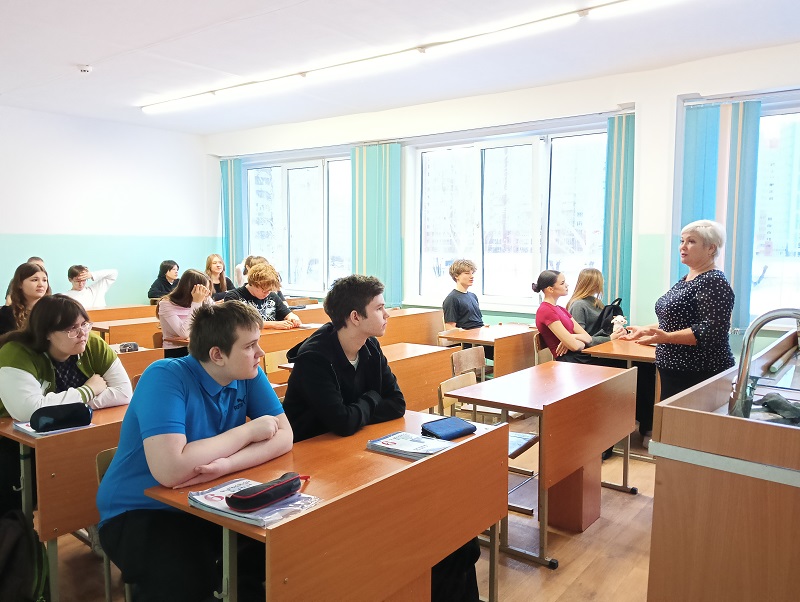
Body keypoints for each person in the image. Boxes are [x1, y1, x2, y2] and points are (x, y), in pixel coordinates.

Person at [282, 274, 478, 601]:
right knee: (406, 531)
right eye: (379, 308)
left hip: (358, 455)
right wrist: (373, 398)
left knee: (457, 538)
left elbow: (397, 403)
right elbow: (342, 422)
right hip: (318, 470)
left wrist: (362, 406)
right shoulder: (315, 358)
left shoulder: (369, 345)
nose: (387, 314)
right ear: (355, 317)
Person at [96, 301, 293, 602]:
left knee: (270, 552)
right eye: (250, 346)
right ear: (217, 355)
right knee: (189, 584)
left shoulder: (247, 373)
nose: (261, 353)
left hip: (206, 498)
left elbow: (285, 437)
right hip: (139, 511)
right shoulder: (164, 376)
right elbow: (170, 470)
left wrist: (226, 465)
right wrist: (248, 432)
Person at [0, 295, 132, 515]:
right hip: (14, 436)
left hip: (69, 429)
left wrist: (73, 406)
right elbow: (29, 411)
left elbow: (124, 393)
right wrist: (88, 390)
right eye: (72, 329)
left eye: (85, 324)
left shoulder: (92, 344)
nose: (82, 334)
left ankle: (93, 515)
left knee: (100, 452)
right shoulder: (15, 353)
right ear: (46, 333)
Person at [622, 219, 735, 403]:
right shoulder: (687, 278)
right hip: (675, 371)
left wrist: (666, 337)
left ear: (711, 248)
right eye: (682, 241)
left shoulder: (714, 281)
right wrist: (647, 329)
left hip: (699, 372)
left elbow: (711, 330)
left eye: (691, 241)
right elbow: (676, 320)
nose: (683, 246)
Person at [567, 268, 657, 439]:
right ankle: (645, 424)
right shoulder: (578, 305)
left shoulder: (596, 303)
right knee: (640, 371)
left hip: (602, 351)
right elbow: (582, 339)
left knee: (646, 368)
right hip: (589, 357)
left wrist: (618, 332)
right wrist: (609, 338)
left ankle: (647, 423)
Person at [533, 270, 594, 363]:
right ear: (550, 289)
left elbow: (588, 338)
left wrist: (571, 337)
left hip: (579, 356)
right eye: (562, 283)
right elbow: (574, 346)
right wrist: (572, 341)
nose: (567, 285)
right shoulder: (546, 310)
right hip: (569, 360)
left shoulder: (561, 309)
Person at [442, 259, 493, 360]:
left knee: (506, 345)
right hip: (469, 342)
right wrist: (466, 333)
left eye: (472, 273)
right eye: (467, 273)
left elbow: (475, 321)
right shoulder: (452, 299)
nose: (471, 276)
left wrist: (483, 327)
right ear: (456, 276)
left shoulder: (473, 296)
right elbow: (449, 328)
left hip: (479, 337)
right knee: (502, 351)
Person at [223, 263, 301, 329]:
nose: (267, 294)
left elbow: (287, 314)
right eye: (264, 290)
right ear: (253, 283)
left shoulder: (272, 296)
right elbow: (239, 324)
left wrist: (293, 318)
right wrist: (273, 324)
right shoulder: (233, 297)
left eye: (270, 290)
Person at [156, 269, 212, 358]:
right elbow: (185, 333)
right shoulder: (166, 304)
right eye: (204, 289)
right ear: (192, 289)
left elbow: (214, 326)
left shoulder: (206, 300)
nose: (207, 293)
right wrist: (196, 302)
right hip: (177, 351)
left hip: (201, 347)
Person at [0, 262, 52, 336]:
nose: (41, 284)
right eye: (35, 280)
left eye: (44, 280)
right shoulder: (6, 313)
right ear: (20, 284)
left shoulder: (53, 312)